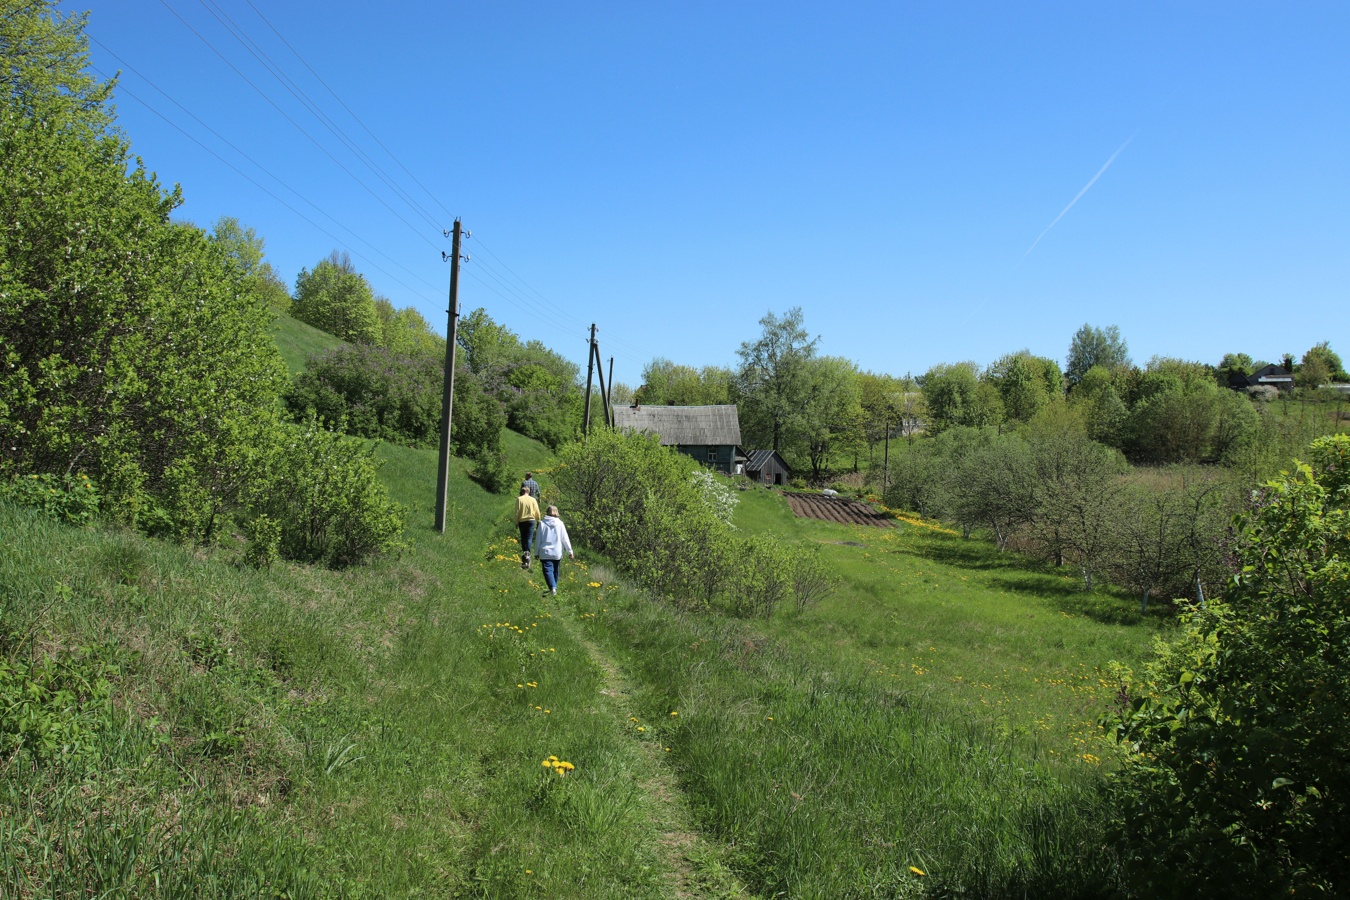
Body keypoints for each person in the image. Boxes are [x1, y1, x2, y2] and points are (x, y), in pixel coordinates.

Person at [532, 505, 573, 595]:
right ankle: (553, 587)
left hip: (545, 552)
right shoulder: (560, 524)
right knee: (555, 570)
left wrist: (536, 552)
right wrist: (570, 551)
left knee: (547, 570)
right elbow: (565, 539)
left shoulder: (542, 523)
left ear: (547, 512)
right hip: (557, 552)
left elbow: (538, 539)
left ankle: (552, 588)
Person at [514, 485, 541, 569]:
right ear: (528, 492)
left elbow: (517, 511)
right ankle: (528, 554)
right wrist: (538, 520)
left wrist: (516, 522)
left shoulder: (519, 499)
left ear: (522, 492)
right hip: (531, 520)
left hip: (522, 521)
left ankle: (524, 555)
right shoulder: (533, 499)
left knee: (523, 537)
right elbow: (537, 510)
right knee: (529, 537)